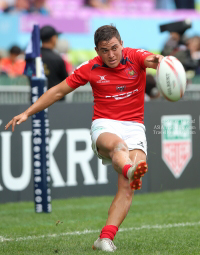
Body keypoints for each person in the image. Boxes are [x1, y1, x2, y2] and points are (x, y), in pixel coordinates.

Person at [5, 25, 163, 252]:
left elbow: (154, 61)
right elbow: (58, 91)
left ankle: (105, 238)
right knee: (120, 148)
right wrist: (27, 112)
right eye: (105, 50)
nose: (111, 55)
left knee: (127, 188)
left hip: (134, 127)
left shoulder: (135, 56)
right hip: (105, 125)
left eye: (115, 48)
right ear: (97, 51)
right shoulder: (90, 68)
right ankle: (130, 169)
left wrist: (166, 62)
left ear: (122, 44)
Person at [40, 25, 68, 101]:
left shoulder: (34, 57)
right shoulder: (57, 58)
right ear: (53, 38)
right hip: (56, 99)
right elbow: (65, 80)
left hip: (37, 99)